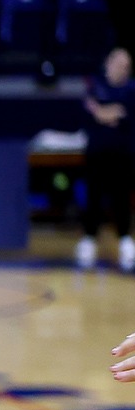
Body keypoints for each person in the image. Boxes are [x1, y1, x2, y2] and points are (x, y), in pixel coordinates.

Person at [78, 47, 133, 272]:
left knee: (121, 198)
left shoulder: (131, 89)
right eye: (119, 64)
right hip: (96, 153)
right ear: (108, 62)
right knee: (93, 197)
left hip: (122, 154)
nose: (123, 69)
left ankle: (125, 240)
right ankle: (89, 239)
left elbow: (122, 112)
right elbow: (96, 112)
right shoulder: (94, 84)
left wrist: (104, 112)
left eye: (127, 66)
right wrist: (106, 113)